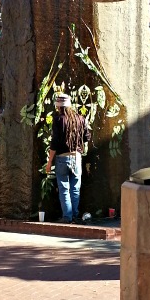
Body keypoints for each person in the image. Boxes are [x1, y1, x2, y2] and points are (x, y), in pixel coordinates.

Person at [45, 92, 91, 224]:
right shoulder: (80, 119)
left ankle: (67, 217)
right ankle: (75, 215)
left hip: (62, 158)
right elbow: (87, 137)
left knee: (64, 189)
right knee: (75, 188)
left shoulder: (58, 119)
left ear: (59, 107)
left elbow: (54, 143)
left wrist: (49, 162)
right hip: (76, 158)